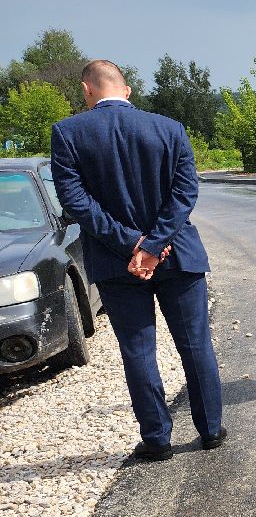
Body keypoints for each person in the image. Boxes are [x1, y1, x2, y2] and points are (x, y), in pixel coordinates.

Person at [50, 60, 225, 461]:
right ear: (126, 90)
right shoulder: (169, 128)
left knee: (138, 350)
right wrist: (155, 242)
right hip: (178, 256)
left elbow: (76, 202)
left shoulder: (68, 133)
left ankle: (157, 440)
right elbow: (185, 192)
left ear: (87, 89)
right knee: (195, 345)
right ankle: (211, 430)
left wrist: (133, 244)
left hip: (115, 262)